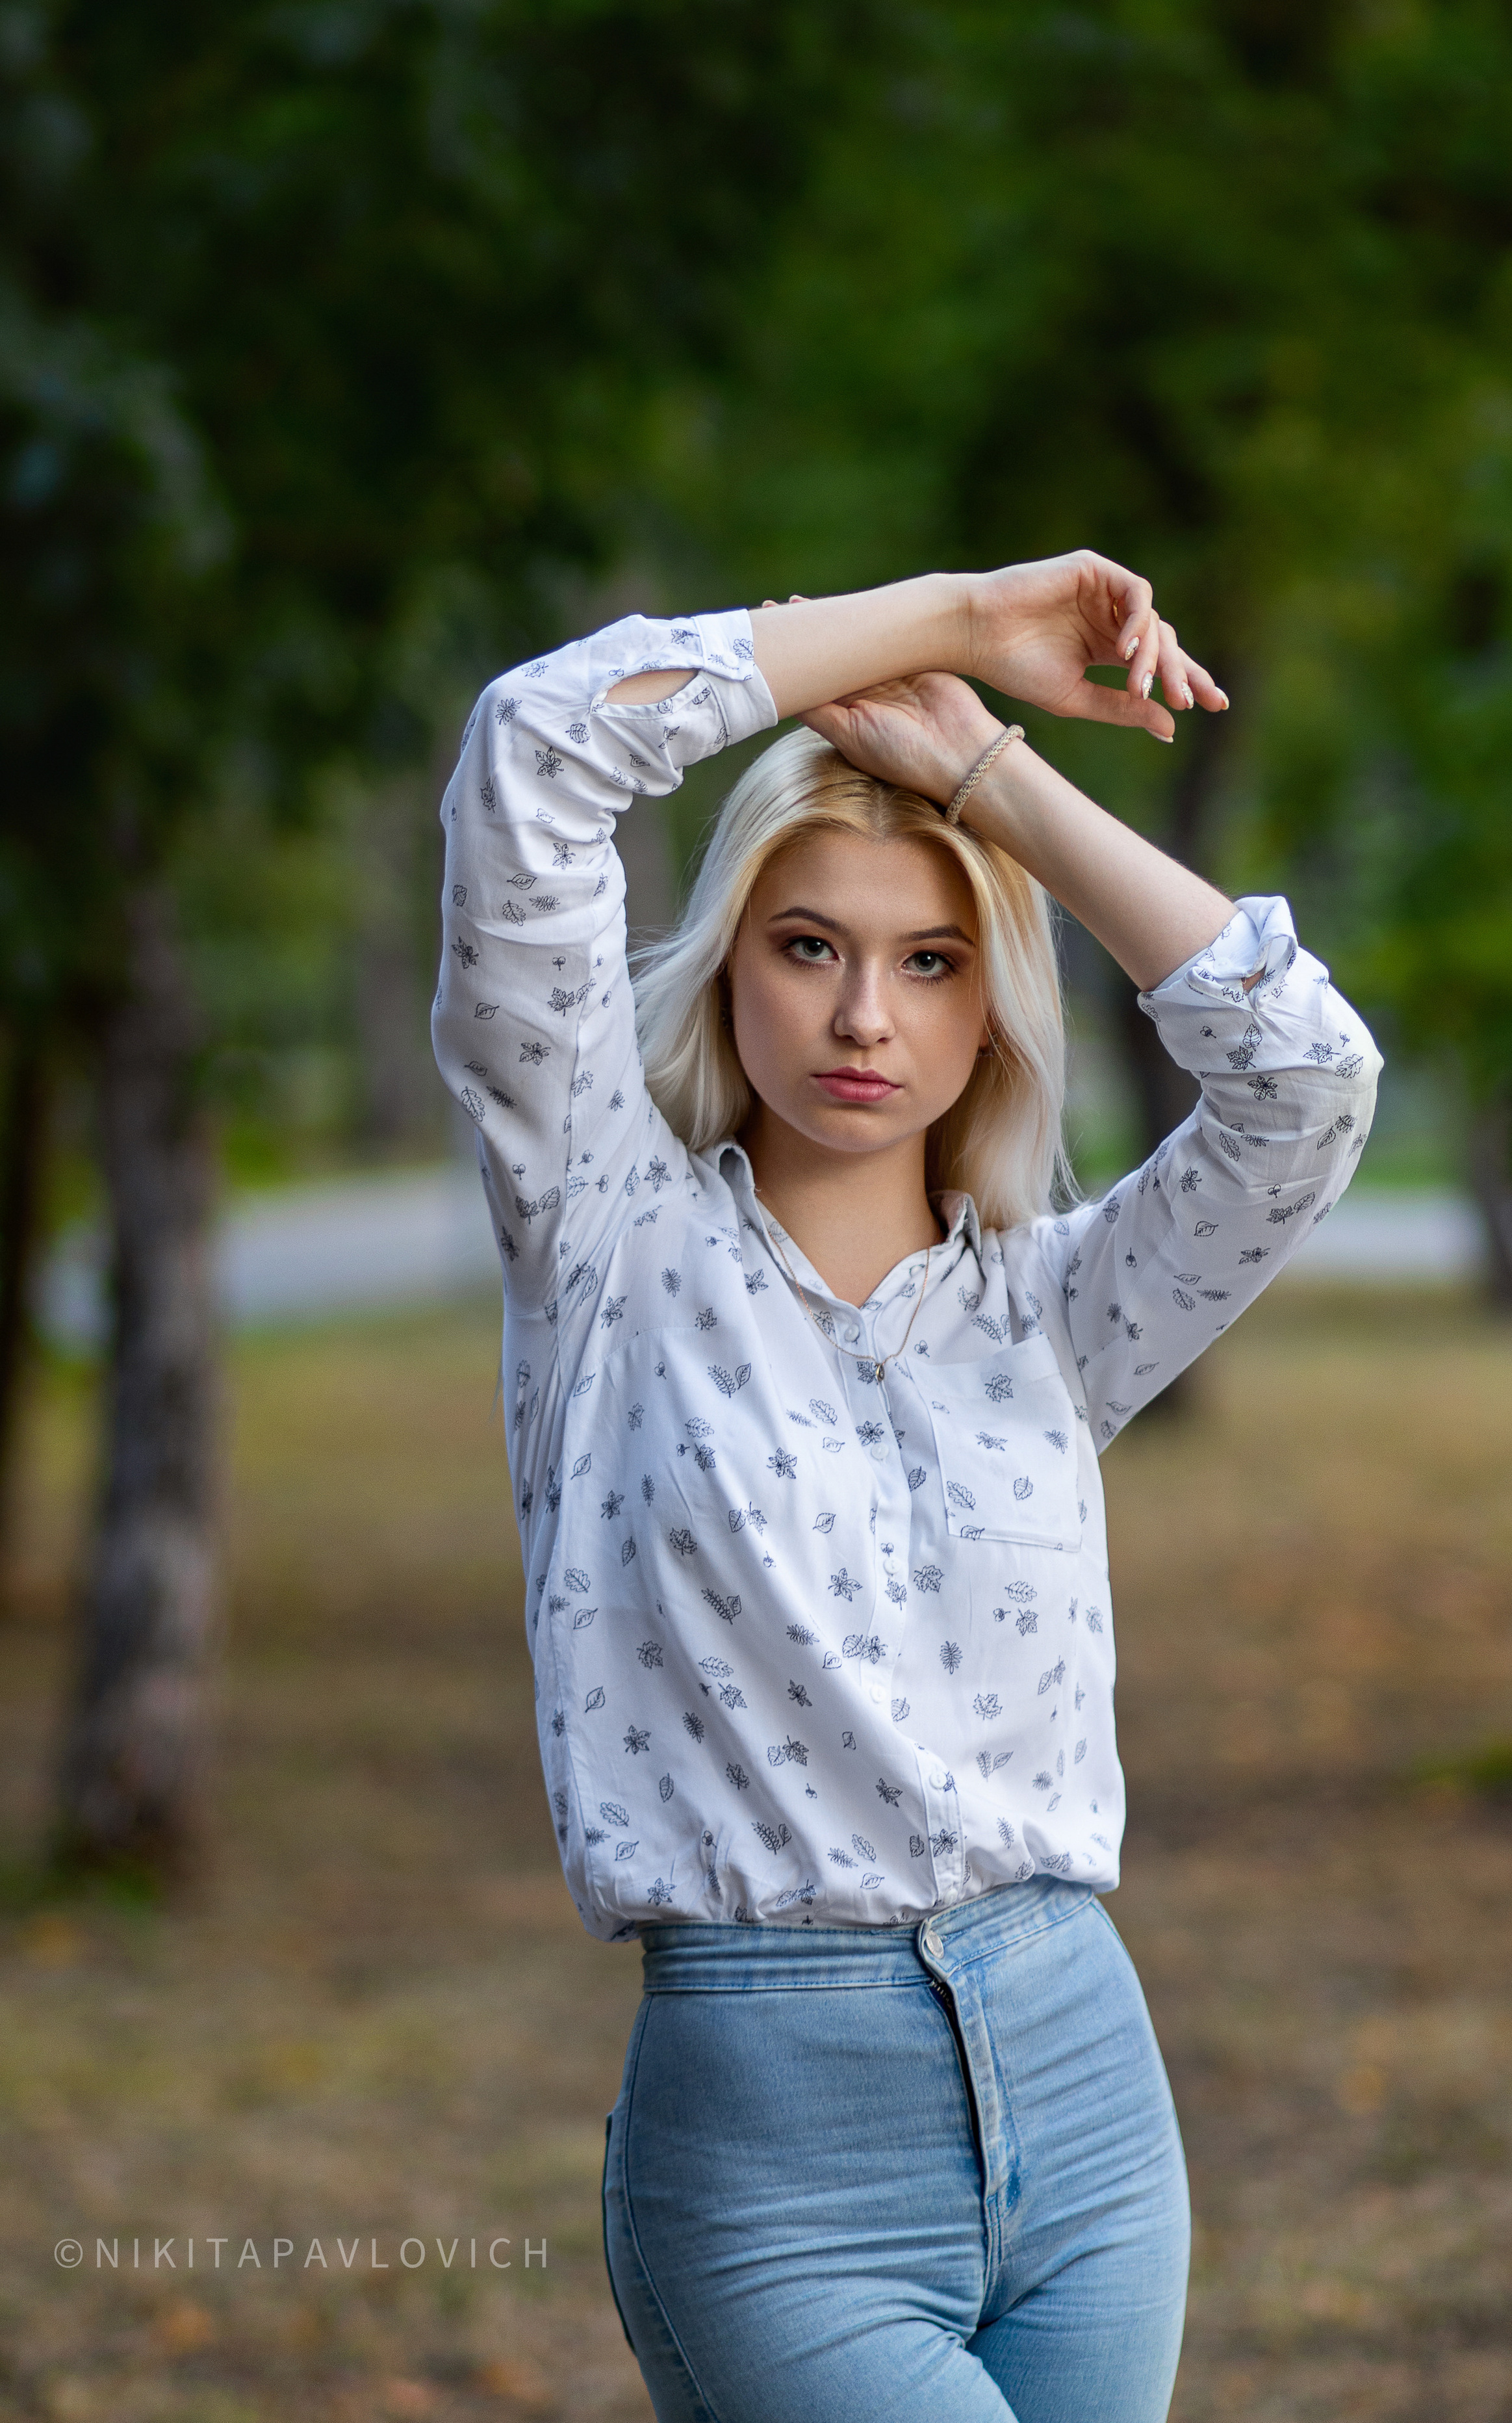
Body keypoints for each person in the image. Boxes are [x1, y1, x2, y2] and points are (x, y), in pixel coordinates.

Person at [431, 552, 1381, 2423]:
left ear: (986, 1007)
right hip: (778, 2153)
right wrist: (949, 616)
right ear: (733, 964)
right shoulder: (605, 1240)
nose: (865, 1013)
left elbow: (1306, 1082)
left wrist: (994, 778)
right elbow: (538, 746)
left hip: (1092, 2100)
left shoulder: (1058, 1310)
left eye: (929, 957)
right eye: (811, 946)